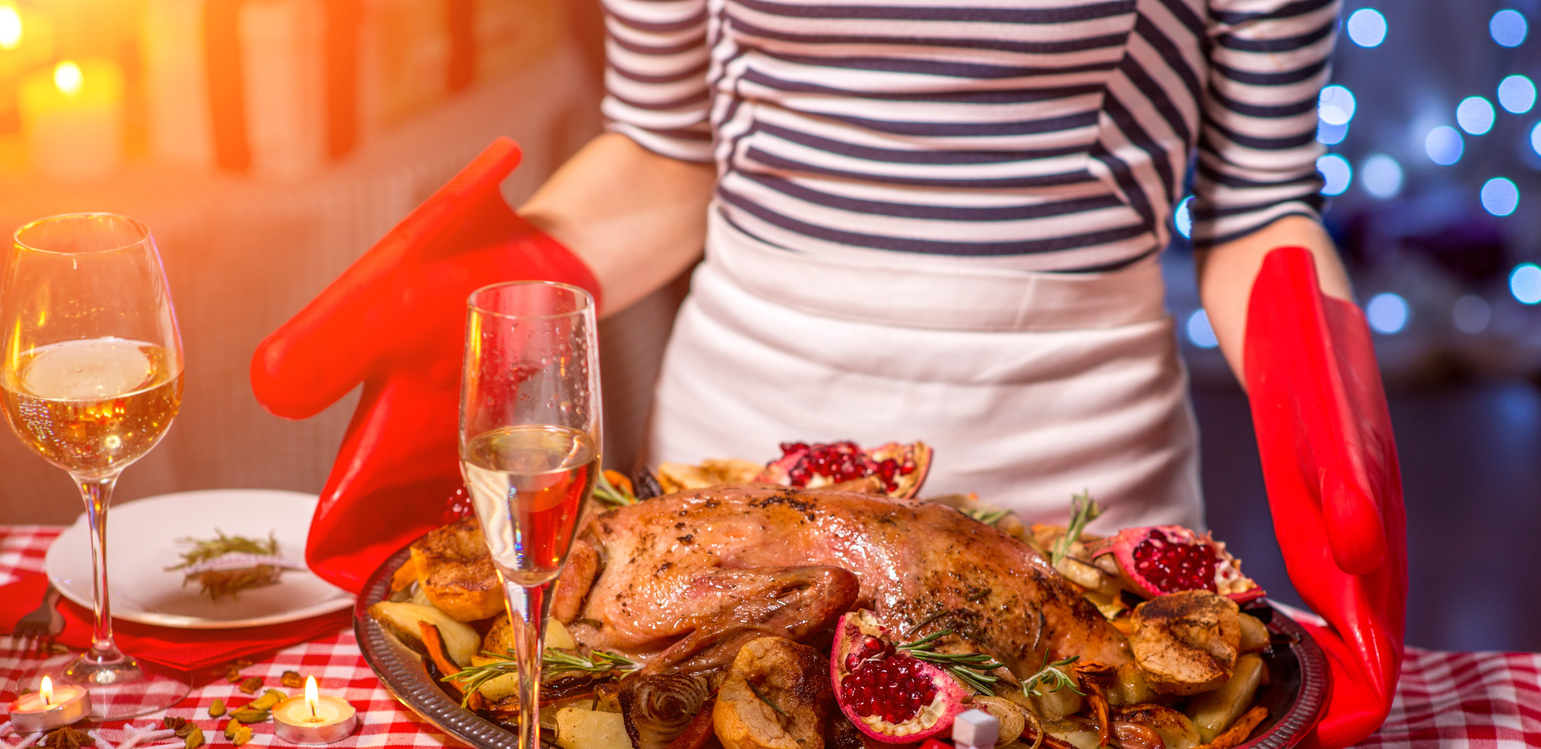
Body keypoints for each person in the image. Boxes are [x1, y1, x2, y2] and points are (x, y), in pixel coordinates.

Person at [514, 0, 1354, 528]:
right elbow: (664, 150)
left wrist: (1336, 422)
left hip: (1076, 472)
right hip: (734, 454)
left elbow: (1256, 206)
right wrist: (486, 290)